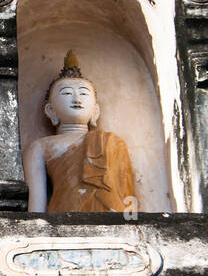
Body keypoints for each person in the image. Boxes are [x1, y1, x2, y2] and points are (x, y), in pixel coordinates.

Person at [24, 51, 136, 212]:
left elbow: (126, 196)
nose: (76, 99)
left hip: (113, 219)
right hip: (64, 218)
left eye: (84, 93)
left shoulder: (111, 142)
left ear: (95, 111)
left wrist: (130, 225)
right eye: (67, 93)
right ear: (50, 110)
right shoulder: (40, 146)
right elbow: (36, 206)